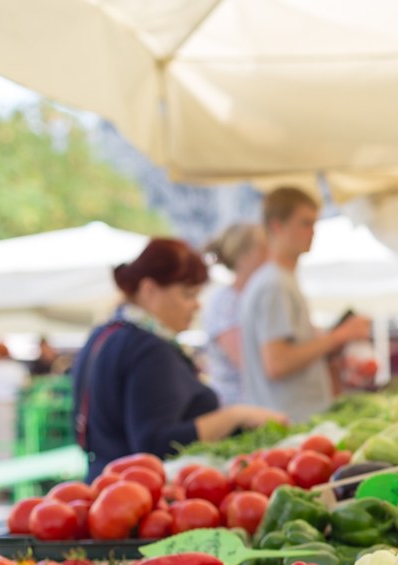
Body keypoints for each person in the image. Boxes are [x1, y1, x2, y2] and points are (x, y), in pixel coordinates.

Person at [72, 238, 286, 479]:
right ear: (149, 290)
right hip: (140, 496)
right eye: (188, 294)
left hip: (104, 486)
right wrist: (237, 415)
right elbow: (155, 444)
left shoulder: (104, 334)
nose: (196, 306)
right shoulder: (149, 348)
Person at [239, 187, 372, 423]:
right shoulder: (275, 285)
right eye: (305, 223)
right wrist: (339, 336)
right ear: (277, 226)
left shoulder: (279, 280)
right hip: (291, 422)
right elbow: (277, 363)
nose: (313, 232)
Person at [202, 223, 269, 406]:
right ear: (244, 256)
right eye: (264, 249)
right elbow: (247, 361)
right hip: (237, 408)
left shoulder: (255, 297)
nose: (270, 255)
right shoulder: (224, 302)